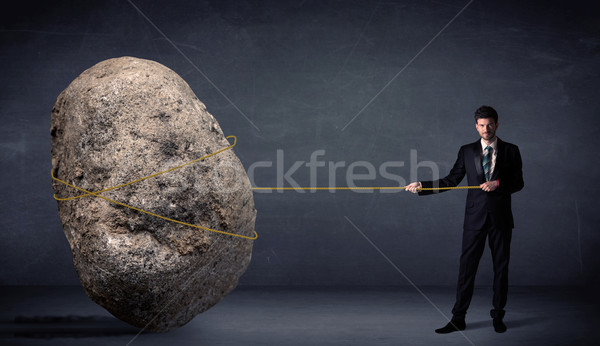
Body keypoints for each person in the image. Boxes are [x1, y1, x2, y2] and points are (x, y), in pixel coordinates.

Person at [405, 105, 524, 334]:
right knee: (466, 268)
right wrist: (423, 186)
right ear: (476, 126)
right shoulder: (467, 150)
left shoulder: (511, 150)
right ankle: (458, 318)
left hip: (500, 219)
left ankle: (498, 316)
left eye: (490, 124)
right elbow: (451, 180)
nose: (486, 129)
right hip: (474, 219)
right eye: (481, 125)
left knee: (501, 268)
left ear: (496, 125)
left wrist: (498, 183)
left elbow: (518, 182)